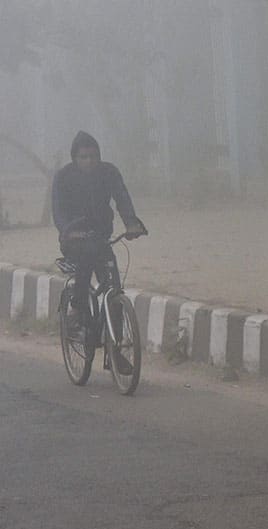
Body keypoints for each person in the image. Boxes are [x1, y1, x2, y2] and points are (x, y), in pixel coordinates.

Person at [52, 131, 147, 371]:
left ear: (99, 156)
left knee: (114, 287)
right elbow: (59, 211)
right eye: (83, 157)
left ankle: (113, 354)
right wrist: (67, 230)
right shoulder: (64, 177)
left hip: (102, 237)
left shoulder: (109, 172)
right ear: (75, 158)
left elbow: (122, 198)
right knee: (85, 262)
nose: (89, 161)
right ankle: (76, 309)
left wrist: (132, 223)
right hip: (74, 239)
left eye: (93, 156)